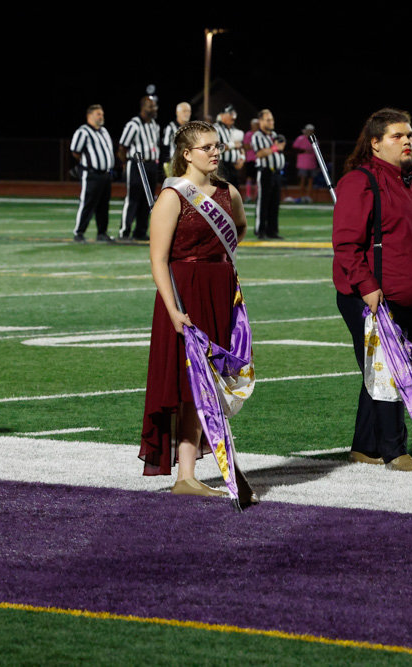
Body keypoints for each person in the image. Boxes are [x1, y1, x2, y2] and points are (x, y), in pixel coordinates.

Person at [332, 109, 412, 472]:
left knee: (380, 369)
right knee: (390, 371)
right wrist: (367, 286)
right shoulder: (361, 181)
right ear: (375, 143)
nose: (407, 141)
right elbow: (346, 244)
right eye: (397, 135)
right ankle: (394, 451)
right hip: (373, 297)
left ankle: (364, 445)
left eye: (410, 135)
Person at [139, 120, 253, 501]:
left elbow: (239, 228)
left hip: (220, 290)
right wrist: (172, 310)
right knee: (187, 384)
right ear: (186, 154)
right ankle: (185, 475)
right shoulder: (172, 196)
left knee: (212, 383)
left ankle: (190, 474)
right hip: (184, 293)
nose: (215, 152)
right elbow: (157, 260)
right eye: (206, 147)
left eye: (216, 146)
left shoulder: (228, 192)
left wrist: (218, 262)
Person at [117, 96, 161, 242]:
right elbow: (122, 146)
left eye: (155, 106)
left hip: (151, 165)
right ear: (143, 108)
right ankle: (124, 232)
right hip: (137, 164)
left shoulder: (154, 125)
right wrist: (127, 163)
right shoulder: (133, 124)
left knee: (147, 199)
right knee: (133, 198)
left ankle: (140, 231)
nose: (154, 109)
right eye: (151, 106)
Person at [70, 104, 115, 243]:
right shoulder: (83, 132)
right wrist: (88, 163)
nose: (101, 116)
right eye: (98, 114)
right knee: (87, 203)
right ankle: (79, 232)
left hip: (105, 174)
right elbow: (75, 151)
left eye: (102, 114)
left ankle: (102, 232)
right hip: (91, 174)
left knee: (103, 205)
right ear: (89, 116)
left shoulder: (104, 131)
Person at [250, 109, 285, 239]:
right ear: (261, 121)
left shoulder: (274, 134)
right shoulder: (257, 136)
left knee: (275, 203)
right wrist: (275, 148)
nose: (271, 122)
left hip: (276, 173)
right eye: (268, 120)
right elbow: (259, 153)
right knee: (263, 202)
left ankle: (272, 231)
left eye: (272, 119)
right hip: (265, 172)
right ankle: (261, 231)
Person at [214, 104, 245, 184]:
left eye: (234, 114)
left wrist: (242, 158)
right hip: (221, 166)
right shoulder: (215, 129)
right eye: (230, 114)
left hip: (234, 167)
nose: (233, 116)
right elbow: (215, 148)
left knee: (235, 194)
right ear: (222, 115)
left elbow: (241, 147)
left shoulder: (235, 130)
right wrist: (232, 145)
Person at [292, 124, 319, 202]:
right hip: (302, 164)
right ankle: (301, 197)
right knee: (302, 180)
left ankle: (308, 197)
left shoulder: (315, 140)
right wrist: (304, 151)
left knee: (311, 181)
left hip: (312, 164)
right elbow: (294, 149)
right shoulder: (300, 138)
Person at [162, 101, 192, 167]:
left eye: (189, 111)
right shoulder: (170, 127)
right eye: (184, 111)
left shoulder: (191, 128)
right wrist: (166, 163)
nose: (187, 113)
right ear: (177, 113)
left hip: (188, 162)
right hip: (174, 163)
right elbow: (165, 147)